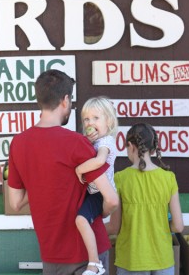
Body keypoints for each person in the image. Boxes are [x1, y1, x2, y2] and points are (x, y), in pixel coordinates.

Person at [8, 69, 116, 275]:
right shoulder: (77, 143)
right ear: (65, 100)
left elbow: (15, 203)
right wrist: (97, 214)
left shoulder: (18, 143)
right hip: (88, 256)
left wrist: (42, 182)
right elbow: (111, 199)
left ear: (40, 100)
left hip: (51, 255)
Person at [106, 122, 184, 275]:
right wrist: (160, 223)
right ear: (154, 148)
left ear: (131, 145)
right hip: (163, 260)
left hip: (131, 260)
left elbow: (115, 227)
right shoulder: (168, 178)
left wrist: (90, 229)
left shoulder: (120, 178)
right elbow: (179, 226)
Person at [75, 97, 119, 275]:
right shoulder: (94, 141)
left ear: (108, 121)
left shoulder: (106, 141)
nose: (90, 122)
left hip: (99, 193)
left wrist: (80, 169)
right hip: (92, 191)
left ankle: (95, 263)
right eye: (86, 119)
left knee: (81, 219)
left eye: (96, 118)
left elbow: (100, 160)